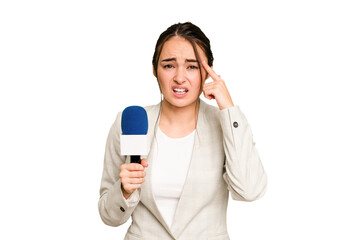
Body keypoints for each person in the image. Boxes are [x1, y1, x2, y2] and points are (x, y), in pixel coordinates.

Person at [98, 22, 267, 240]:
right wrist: (124, 191)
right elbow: (108, 215)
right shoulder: (132, 122)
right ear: (154, 70)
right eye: (169, 66)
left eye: (192, 66)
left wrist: (229, 108)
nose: (180, 77)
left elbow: (250, 190)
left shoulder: (224, 123)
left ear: (207, 72)